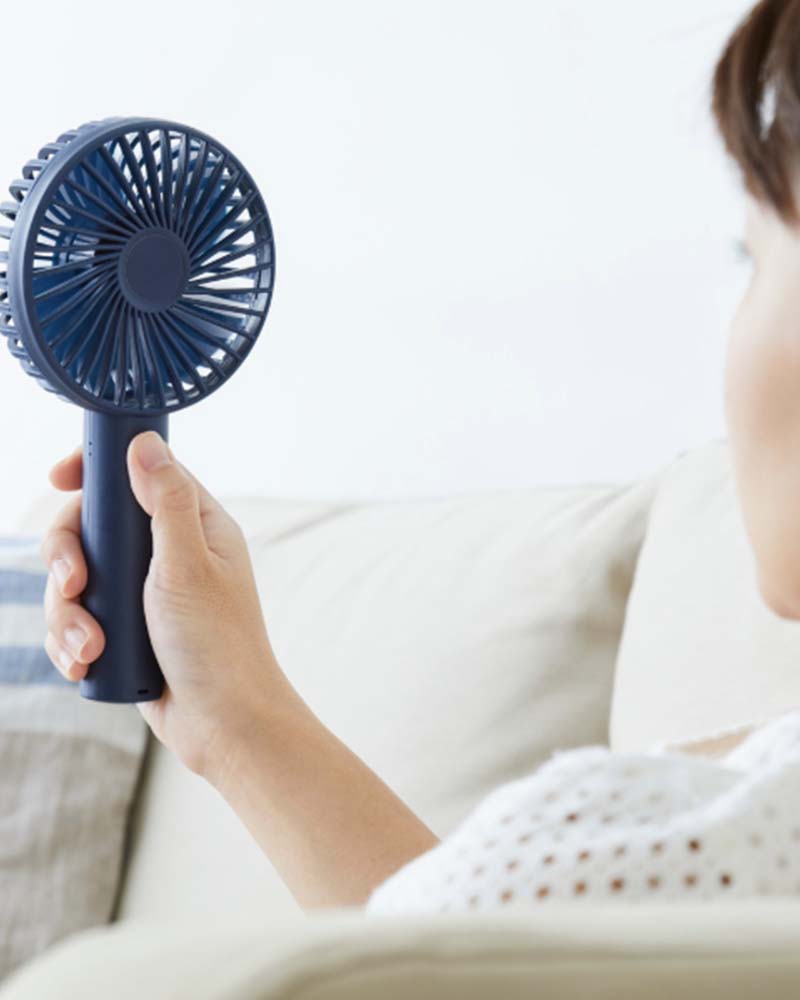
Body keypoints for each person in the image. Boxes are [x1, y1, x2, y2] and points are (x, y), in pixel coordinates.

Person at [39, 0, 800, 912]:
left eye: (751, 254)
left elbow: (448, 961)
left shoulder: (708, 822)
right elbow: (451, 954)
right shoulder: (737, 799)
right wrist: (230, 715)